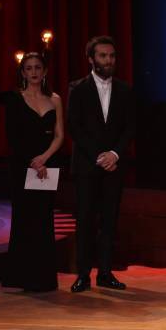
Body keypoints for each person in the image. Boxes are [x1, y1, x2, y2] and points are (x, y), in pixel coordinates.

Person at [68, 36, 135, 293]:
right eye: (103, 56)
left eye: (112, 56)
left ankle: (105, 273)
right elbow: (75, 126)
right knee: (85, 220)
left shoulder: (125, 90)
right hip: (87, 165)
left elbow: (130, 127)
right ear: (91, 59)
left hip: (114, 167)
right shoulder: (78, 88)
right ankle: (83, 274)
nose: (108, 60)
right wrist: (100, 155)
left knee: (109, 221)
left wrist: (115, 154)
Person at [2, 52, 64, 292]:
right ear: (23, 72)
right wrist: (32, 161)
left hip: (47, 165)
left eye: (38, 67)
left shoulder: (55, 99)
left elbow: (59, 135)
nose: (34, 72)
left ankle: (44, 279)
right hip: (22, 166)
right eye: (29, 68)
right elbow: (13, 137)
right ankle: (22, 277)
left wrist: (44, 159)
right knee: (24, 218)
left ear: (45, 71)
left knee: (43, 218)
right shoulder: (15, 99)